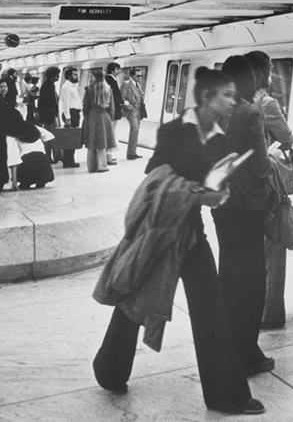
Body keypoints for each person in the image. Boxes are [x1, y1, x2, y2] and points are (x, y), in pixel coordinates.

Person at [92, 67, 264, 415]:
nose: (234, 102)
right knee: (134, 296)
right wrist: (196, 192)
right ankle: (109, 370)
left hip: (191, 234)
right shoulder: (174, 131)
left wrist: (218, 190)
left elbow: (211, 183)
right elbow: (154, 175)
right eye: (227, 96)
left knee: (210, 309)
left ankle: (227, 394)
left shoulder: (219, 137)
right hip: (160, 230)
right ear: (206, 98)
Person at [213, 55, 274, 377]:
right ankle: (248, 353)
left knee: (229, 276)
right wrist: (274, 159)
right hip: (249, 205)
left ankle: (228, 345)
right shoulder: (251, 113)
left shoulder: (218, 111)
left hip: (221, 204)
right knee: (251, 281)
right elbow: (262, 166)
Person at [245, 50, 292, 331]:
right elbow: (286, 137)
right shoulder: (267, 103)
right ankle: (270, 312)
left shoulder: (235, 102)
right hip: (266, 184)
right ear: (264, 73)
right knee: (274, 248)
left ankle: (253, 308)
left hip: (242, 188)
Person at [82, 71, 115, 173]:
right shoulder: (108, 89)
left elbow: (85, 106)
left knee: (91, 142)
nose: (91, 78)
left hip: (92, 116)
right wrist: (111, 119)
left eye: (91, 76)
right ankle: (102, 165)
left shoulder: (89, 89)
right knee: (102, 142)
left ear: (94, 78)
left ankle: (91, 166)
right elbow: (112, 107)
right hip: (104, 116)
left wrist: (86, 116)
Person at [59, 68, 82, 168]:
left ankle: (69, 159)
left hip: (74, 113)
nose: (77, 77)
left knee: (72, 138)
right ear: (69, 76)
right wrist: (68, 117)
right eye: (75, 75)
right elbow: (66, 103)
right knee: (70, 138)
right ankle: (68, 160)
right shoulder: (66, 87)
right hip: (71, 114)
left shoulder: (71, 86)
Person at [38, 66, 61, 163]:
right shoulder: (48, 86)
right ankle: (48, 156)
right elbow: (48, 102)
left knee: (53, 135)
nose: (59, 77)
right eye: (57, 75)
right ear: (53, 76)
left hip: (50, 115)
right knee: (49, 136)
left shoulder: (48, 85)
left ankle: (56, 156)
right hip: (49, 116)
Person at [120, 67, 144, 160]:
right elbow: (123, 98)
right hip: (131, 110)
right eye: (138, 76)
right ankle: (130, 153)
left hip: (139, 110)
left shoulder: (138, 84)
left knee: (136, 130)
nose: (139, 77)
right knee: (134, 128)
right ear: (132, 75)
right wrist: (129, 107)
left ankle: (133, 152)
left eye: (140, 76)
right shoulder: (126, 84)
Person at [105, 62, 124, 166]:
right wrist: (121, 102)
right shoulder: (110, 80)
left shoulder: (109, 79)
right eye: (117, 69)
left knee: (111, 133)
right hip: (113, 111)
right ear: (112, 70)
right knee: (111, 133)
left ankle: (109, 156)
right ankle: (108, 157)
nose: (119, 71)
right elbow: (114, 97)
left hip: (113, 111)